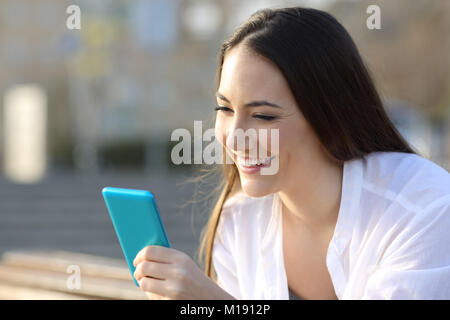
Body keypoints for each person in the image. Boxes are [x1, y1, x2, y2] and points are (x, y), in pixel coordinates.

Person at [133, 7, 450, 300]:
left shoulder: (425, 208)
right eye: (225, 109)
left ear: (329, 115)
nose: (235, 138)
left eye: (264, 116)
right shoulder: (239, 220)